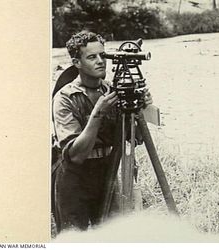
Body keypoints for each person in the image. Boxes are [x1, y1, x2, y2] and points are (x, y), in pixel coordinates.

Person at [52, 31, 152, 233]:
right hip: (74, 177)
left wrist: (142, 108)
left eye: (102, 55)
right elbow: (75, 155)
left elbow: (136, 138)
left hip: (107, 173)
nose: (100, 61)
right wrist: (98, 112)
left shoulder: (112, 91)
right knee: (73, 239)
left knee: (111, 235)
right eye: (91, 57)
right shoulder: (65, 98)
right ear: (76, 62)